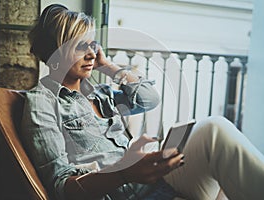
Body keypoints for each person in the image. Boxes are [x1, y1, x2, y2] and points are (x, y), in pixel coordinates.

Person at [21, 4, 264, 200]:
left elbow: (150, 99)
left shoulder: (100, 94)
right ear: (55, 52)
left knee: (213, 129)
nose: (92, 53)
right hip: (128, 193)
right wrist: (125, 172)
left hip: (152, 183)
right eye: (80, 46)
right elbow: (61, 187)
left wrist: (108, 66)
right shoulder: (42, 103)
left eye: (92, 45)